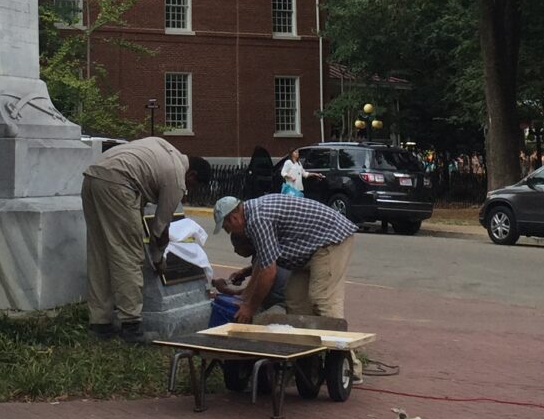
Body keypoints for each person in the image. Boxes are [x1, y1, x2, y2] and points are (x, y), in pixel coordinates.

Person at [79, 136, 194, 341]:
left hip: (92, 176)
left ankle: (100, 322)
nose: (187, 192)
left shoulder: (163, 146)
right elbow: (160, 229)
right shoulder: (177, 178)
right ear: (192, 175)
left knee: (99, 253)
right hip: (118, 184)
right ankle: (131, 326)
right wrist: (158, 259)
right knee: (129, 254)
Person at [212, 191, 358, 324]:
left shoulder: (258, 219)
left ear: (234, 218)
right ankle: (308, 346)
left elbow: (268, 272)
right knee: (295, 300)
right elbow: (264, 261)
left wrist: (249, 307)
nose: (229, 232)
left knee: (322, 299)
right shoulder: (253, 214)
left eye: (226, 228)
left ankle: (338, 349)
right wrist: (245, 293)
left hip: (331, 239)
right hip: (310, 250)